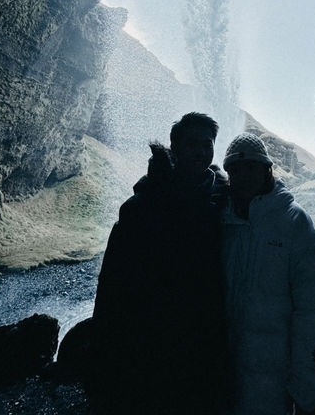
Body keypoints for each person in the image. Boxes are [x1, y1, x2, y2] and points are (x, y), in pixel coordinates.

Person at [89, 112, 228, 414]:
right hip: (152, 334)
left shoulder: (223, 202)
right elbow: (113, 281)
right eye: (192, 144)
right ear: (174, 147)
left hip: (204, 334)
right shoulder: (142, 206)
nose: (201, 152)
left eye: (208, 144)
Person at [221, 133, 315, 415]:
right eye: (236, 169)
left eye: (252, 167)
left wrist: (304, 390)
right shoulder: (221, 220)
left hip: (273, 389)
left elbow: (311, 312)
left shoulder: (294, 222)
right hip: (223, 380)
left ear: (267, 169)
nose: (244, 175)